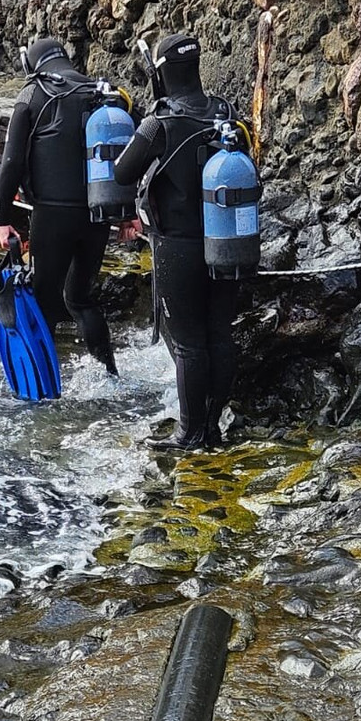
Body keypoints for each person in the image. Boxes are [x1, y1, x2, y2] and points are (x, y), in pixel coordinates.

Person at [114, 34, 251, 451]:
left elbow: (122, 172)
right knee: (219, 334)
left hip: (179, 245)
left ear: (162, 73)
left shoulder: (160, 121)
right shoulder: (226, 114)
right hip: (227, 240)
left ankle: (190, 434)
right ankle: (212, 426)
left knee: (189, 343)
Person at [0, 38, 134, 376]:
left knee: (44, 302)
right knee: (80, 298)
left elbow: (11, 163)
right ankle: (110, 376)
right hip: (98, 213)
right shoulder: (101, 92)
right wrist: (128, 214)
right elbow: (128, 155)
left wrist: (3, 217)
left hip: (52, 214)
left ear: (31, 63)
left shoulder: (33, 93)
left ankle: (45, 389)